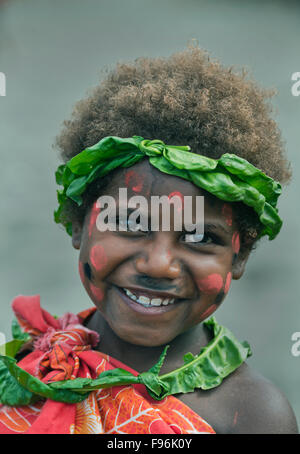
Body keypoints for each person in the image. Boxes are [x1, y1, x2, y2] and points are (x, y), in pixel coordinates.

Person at [0, 45, 298, 434]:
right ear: (79, 224)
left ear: (239, 256)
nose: (159, 264)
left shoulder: (254, 417)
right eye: (128, 223)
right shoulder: (27, 371)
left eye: (199, 236)